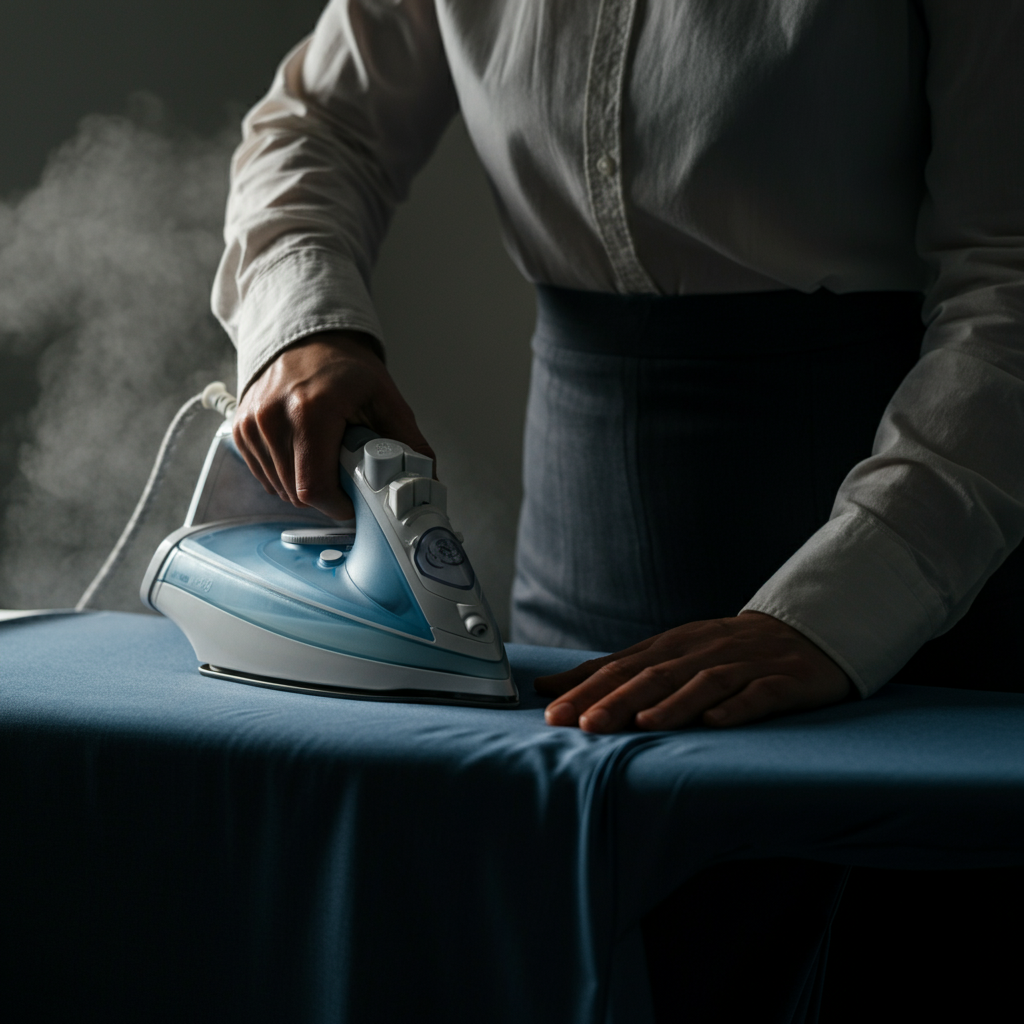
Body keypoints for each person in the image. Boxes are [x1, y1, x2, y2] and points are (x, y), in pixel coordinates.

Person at [212, 3, 1024, 1021]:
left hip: (906, 573)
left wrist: (851, 601)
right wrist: (307, 327)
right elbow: (317, 125)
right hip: (574, 585)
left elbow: (1013, 277)